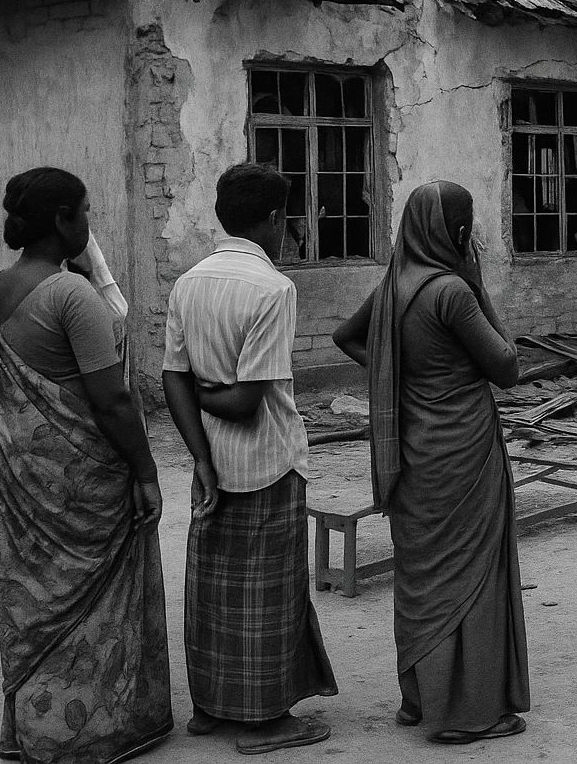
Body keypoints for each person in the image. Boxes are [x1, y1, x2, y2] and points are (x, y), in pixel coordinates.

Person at [333, 181, 530, 743]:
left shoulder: (397, 283)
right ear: (456, 232)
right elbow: (507, 366)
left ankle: (419, 701)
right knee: (469, 579)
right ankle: (467, 715)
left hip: (414, 453)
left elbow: (346, 336)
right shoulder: (451, 292)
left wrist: (398, 375)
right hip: (462, 452)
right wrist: (480, 287)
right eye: (468, 225)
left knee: (422, 576)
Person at [0, 168, 172, 763]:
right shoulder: (70, 296)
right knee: (97, 597)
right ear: (64, 220)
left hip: (28, 480)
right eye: (85, 212)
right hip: (85, 480)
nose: (90, 224)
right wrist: (146, 472)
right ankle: (87, 730)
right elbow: (112, 399)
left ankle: (29, 731)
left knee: (38, 600)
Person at [162, 163, 337, 753]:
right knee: (269, 594)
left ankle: (212, 708)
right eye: (284, 218)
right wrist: (214, 395)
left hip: (210, 460)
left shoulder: (190, 283)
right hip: (267, 460)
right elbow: (244, 400)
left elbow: (173, 378)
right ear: (271, 220)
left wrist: (202, 456)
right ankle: (265, 720)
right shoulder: (273, 289)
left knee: (214, 591)